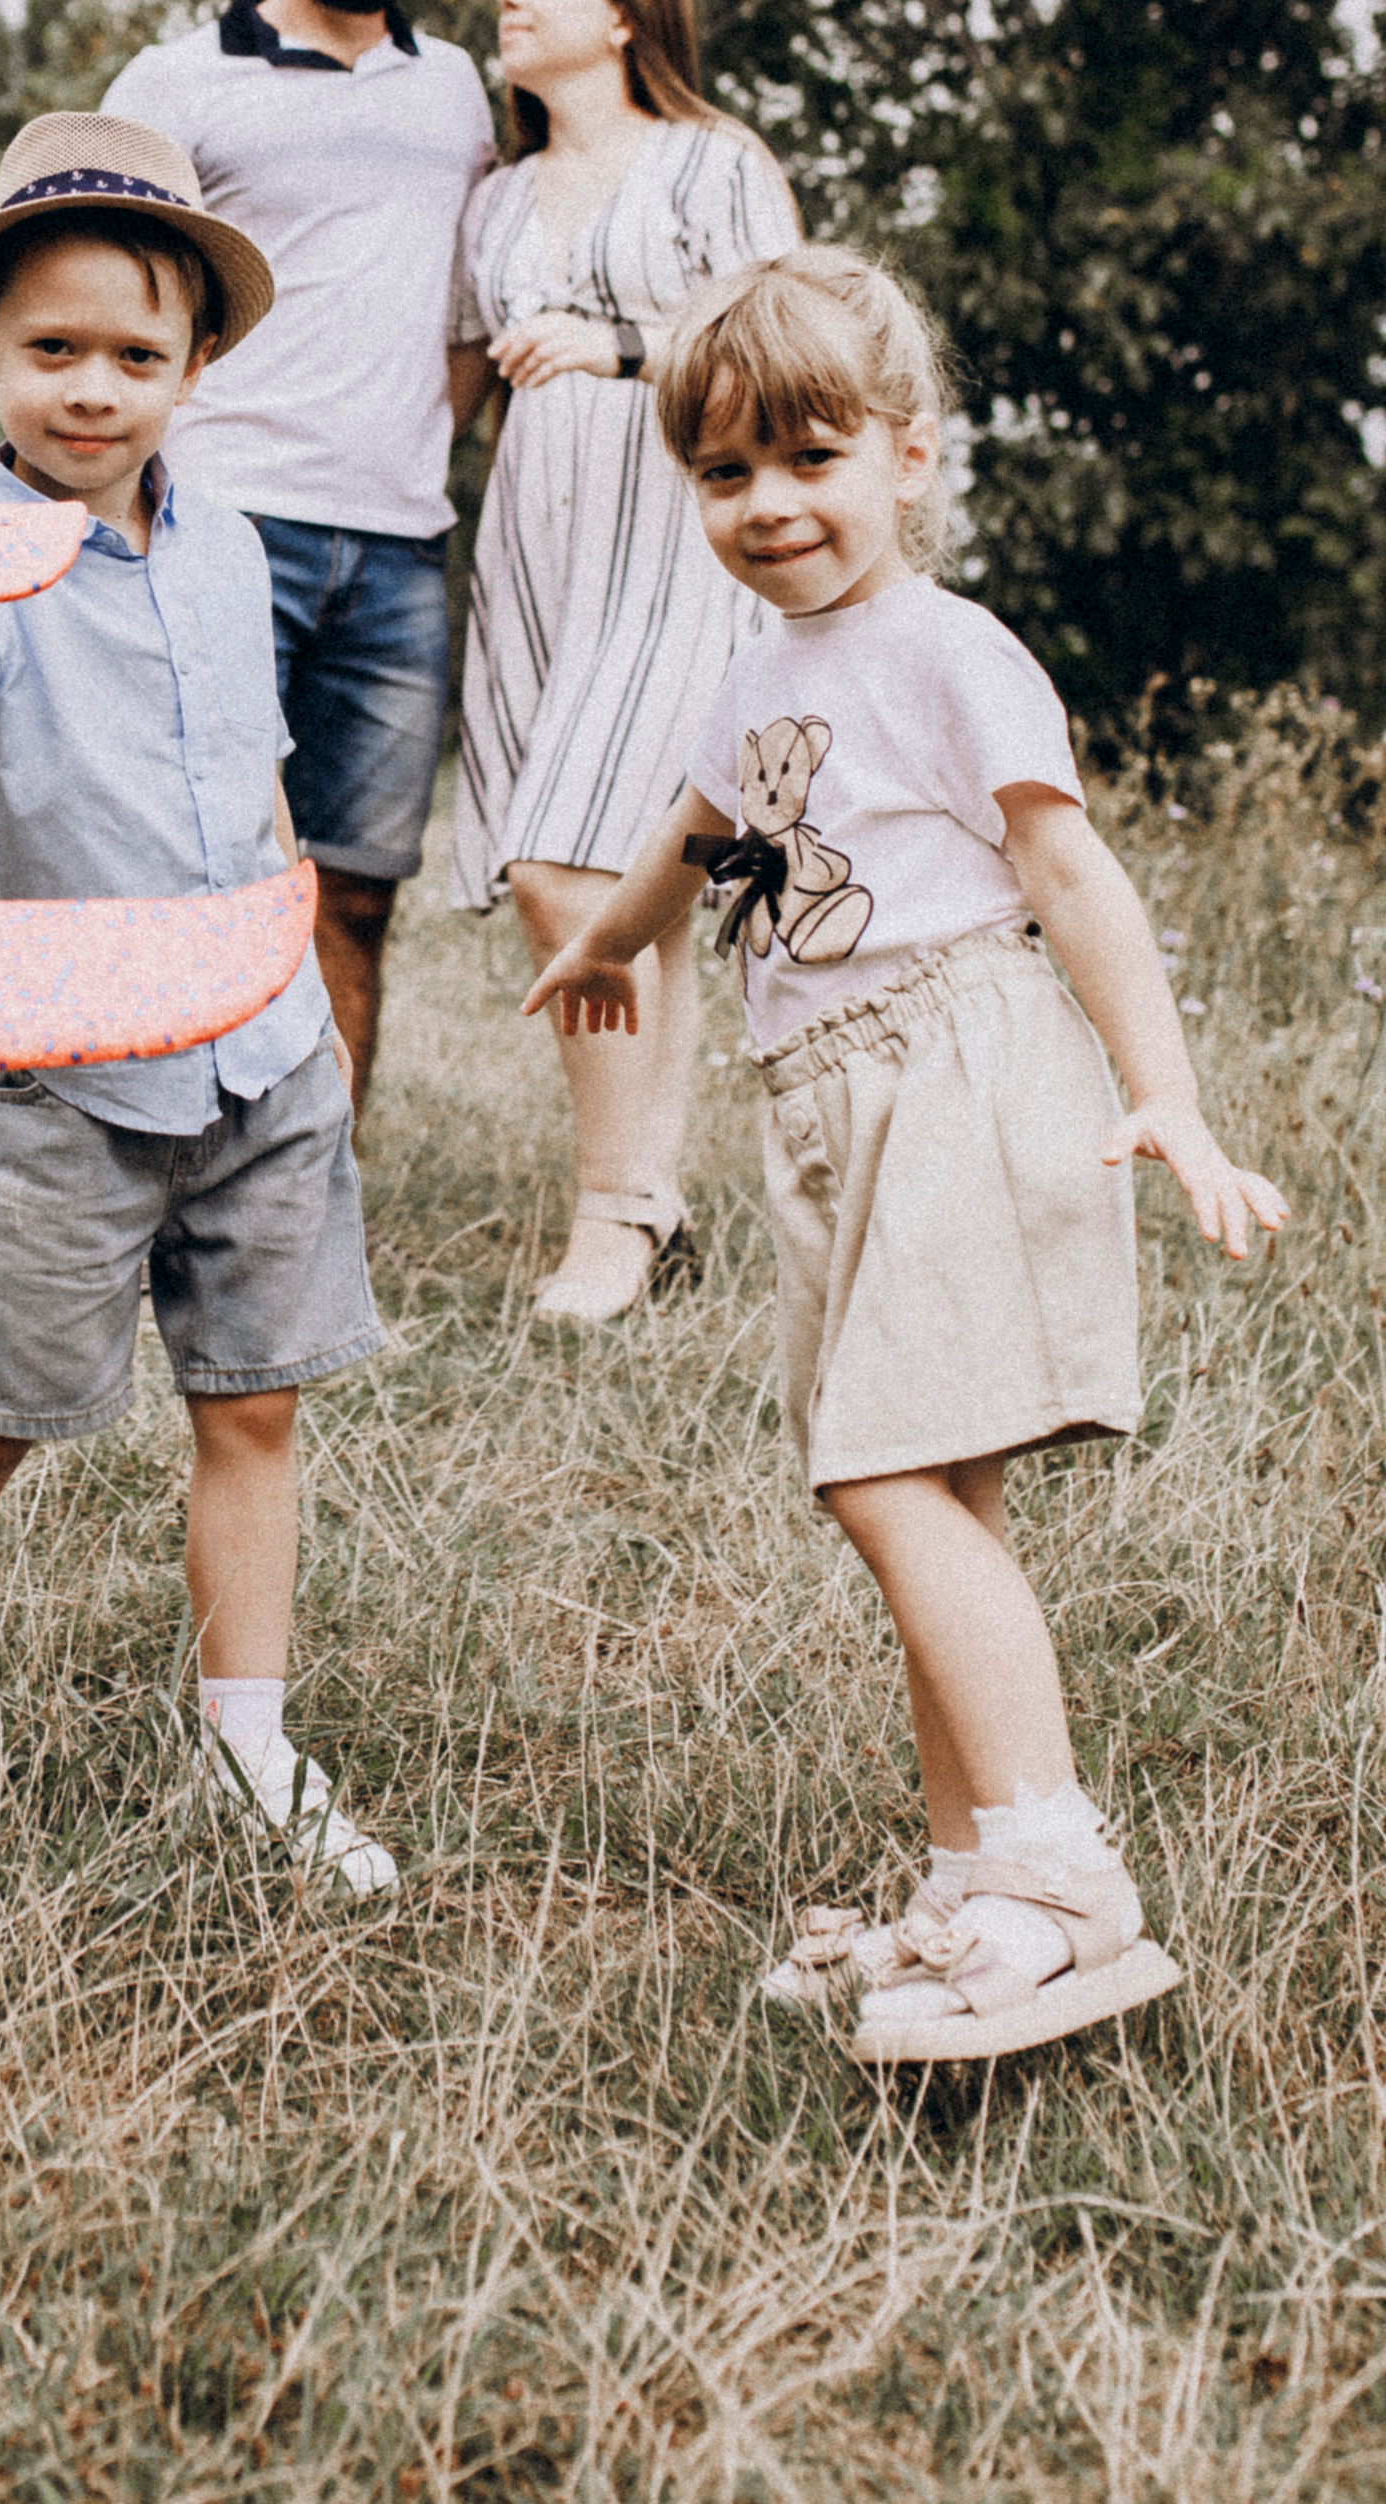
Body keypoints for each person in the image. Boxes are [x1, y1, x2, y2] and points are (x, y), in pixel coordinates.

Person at [525, 245, 1286, 2065]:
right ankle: (969, 1887)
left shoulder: (952, 652)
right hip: (826, 1099)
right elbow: (704, 830)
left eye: (811, 457)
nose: (771, 505)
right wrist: (612, 938)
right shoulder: (761, 663)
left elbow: (1069, 872)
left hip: (957, 1063)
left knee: (878, 1478)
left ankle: (1061, 1885)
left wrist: (1166, 1091)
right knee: (938, 1489)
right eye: (725, 473)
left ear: (910, 454)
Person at [0, 111, 398, 1913]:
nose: (93, 391)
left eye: (138, 355)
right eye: (52, 350)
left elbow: (263, 779)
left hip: (265, 1050)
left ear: (199, 364)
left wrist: (308, 983)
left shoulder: (225, 544)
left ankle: (247, 1743)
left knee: (256, 1408)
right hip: (72, 1071)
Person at [101, 0, 494, 1114]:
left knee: (360, 890)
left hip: (396, 550)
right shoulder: (175, 81)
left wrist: (416, 438)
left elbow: (466, 310)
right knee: (200, 871)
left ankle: (314, 1187)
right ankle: (159, 1163)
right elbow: (102, 305)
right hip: (221, 529)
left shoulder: (452, 93)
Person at [445, 0, 798, 1320]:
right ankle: (658, 1203)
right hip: (534, 553)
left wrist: (623, 347)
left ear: (626, 14)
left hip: (680, 545)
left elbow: (789, 338)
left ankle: (612, 1218)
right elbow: (459, 386)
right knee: (629, 879)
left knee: (563, 867)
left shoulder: (716, 166)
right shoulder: (495, 198)